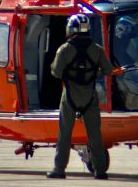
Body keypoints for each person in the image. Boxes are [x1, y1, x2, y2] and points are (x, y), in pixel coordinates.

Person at [46, 14, 114, 180]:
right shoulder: (97, 49)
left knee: (64, 134)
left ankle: (59, 169)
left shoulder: (65, 49)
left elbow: (55, 72)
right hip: (90, 97)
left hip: (69, 97)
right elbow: (108, 70)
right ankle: (100, 171)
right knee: (95, 135)